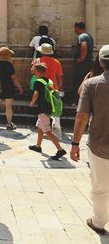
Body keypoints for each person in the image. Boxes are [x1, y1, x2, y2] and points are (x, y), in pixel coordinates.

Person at [71, 45, 109, 235]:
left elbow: (82, 116)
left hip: (99, 144)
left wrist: (75, 143)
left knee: (100, 187)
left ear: (101, 62)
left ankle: (99, 221)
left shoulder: (92, 84)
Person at [28, 63, 66, 160]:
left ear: (38, 71)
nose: (33, 73)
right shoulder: (49, 81)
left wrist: (32, 103)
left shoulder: (38, 82)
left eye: (34, 71)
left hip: (42, 108)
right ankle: (38, 146)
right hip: (49, 107)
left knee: (47, 130)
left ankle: (60, 149)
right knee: (40, 127)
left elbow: (36, 94)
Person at [0, 47, 23, 130]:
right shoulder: (8, 65)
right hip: (8, 86)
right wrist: (20, 88)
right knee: (8, 106)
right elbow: (13, 78)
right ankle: (9, 124)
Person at [72, 22, 95, 105]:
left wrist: (82, 57)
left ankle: (77, 101)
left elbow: (84, 45)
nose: (74, 30)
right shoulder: (89, 36)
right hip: (88, 63)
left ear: (77, 27)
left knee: (78, 81)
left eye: (75, 28)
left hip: (83, 64)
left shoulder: (82, 36)